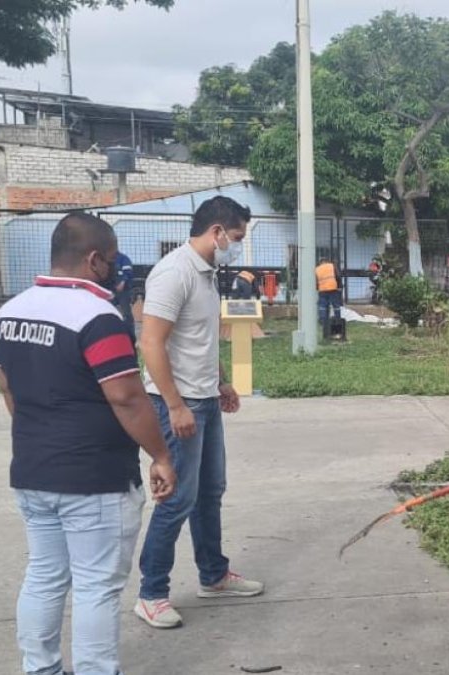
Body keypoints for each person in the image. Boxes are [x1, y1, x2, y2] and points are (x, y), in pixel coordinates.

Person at [0, 212, 177, 675]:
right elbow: (127, 397)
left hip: (33, 471)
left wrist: (43, 437)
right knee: (96, 586)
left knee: (44, 576)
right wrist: (161, 454)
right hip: (94, 479)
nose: (116, 270)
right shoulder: (98, 318)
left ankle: (41, 668)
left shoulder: (9, 312)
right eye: (113, 261)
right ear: (95, 260)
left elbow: (8, 387)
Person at [135, 196, 264, 629]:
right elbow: (151, 343)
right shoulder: (174, 273)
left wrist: (222, 381)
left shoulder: (207, 274)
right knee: (177, 499)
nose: (238, 246)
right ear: (217, 232)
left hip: (204, 399)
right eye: (237, 237)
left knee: (210, 492)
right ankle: (152, 592)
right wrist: (174, 405)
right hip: (178, 404)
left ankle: (213, 575)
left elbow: (200, 340)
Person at [114, 249, 136, 343]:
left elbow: (128, 273)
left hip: (124, 292)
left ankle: (131, 337)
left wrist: (122, 282)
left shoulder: (123, 258)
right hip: (111, 291)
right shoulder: (105, 259)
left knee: (127, 315)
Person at [316, 257, 342, 325]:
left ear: (320, 262)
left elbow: (316, 280)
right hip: (333, 288)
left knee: (323, 306)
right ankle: (338, 320)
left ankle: (323, 321)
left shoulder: (317, 269)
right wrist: (339, 286)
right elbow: (338, 276)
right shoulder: (332, 266)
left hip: (322, 290)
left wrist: (317, 288)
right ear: (327, 261)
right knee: (336, 305)